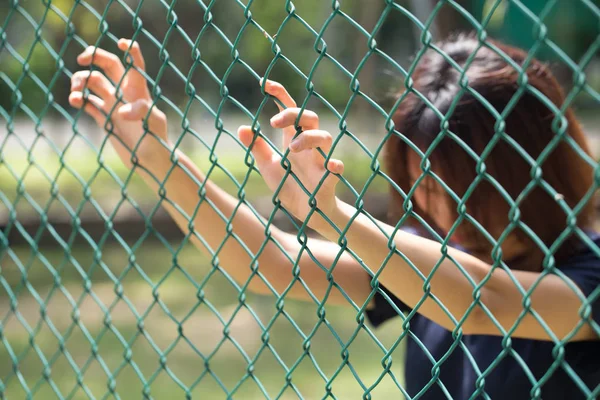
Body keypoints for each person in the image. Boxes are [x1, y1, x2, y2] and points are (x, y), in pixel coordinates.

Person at [69, 33, 600, 399]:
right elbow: (271, 260)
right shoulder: (433, 258)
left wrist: (334, 215)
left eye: (459, 183)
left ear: (527, 165)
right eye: (423, 180)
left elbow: (484, 301)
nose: (437, 205)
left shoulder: (588, 268)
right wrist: (158, 162)